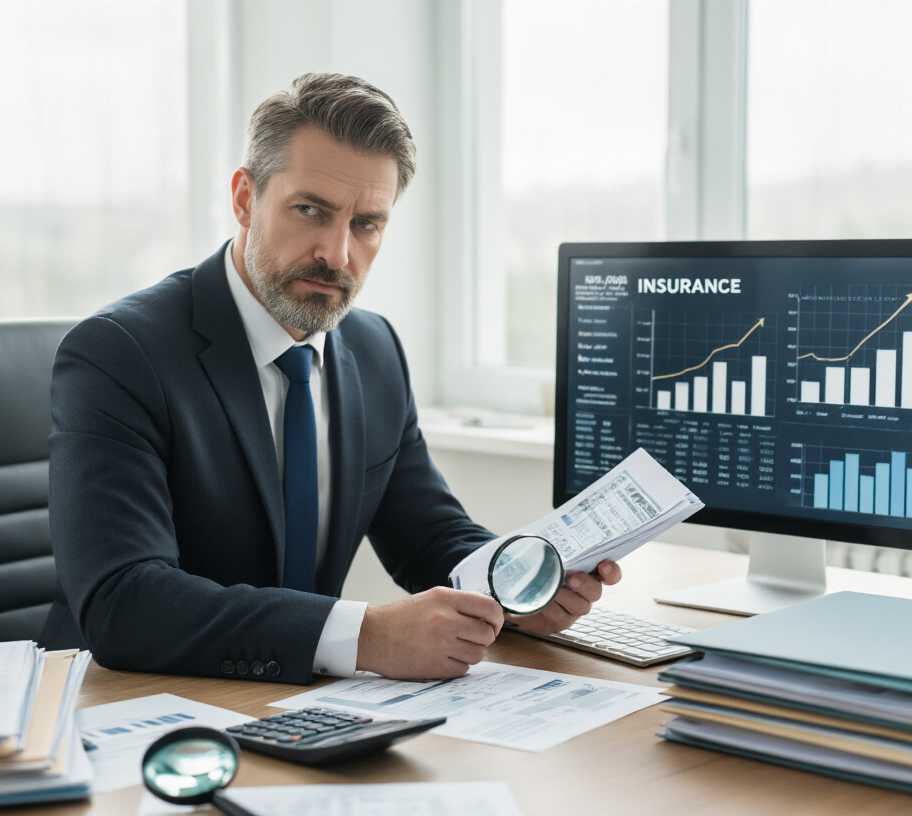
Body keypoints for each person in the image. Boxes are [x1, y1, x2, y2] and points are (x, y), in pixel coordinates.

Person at [40, 72, 621, 684]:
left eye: (367, 224)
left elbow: (427, 537)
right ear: (244, 198)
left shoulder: (374, 349)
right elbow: (125, 604)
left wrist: (520, 584)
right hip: (124, 707)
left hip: (295, 707)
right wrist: (366, 635)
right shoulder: (120, 353)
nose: (337, 254)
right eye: (310, 210)